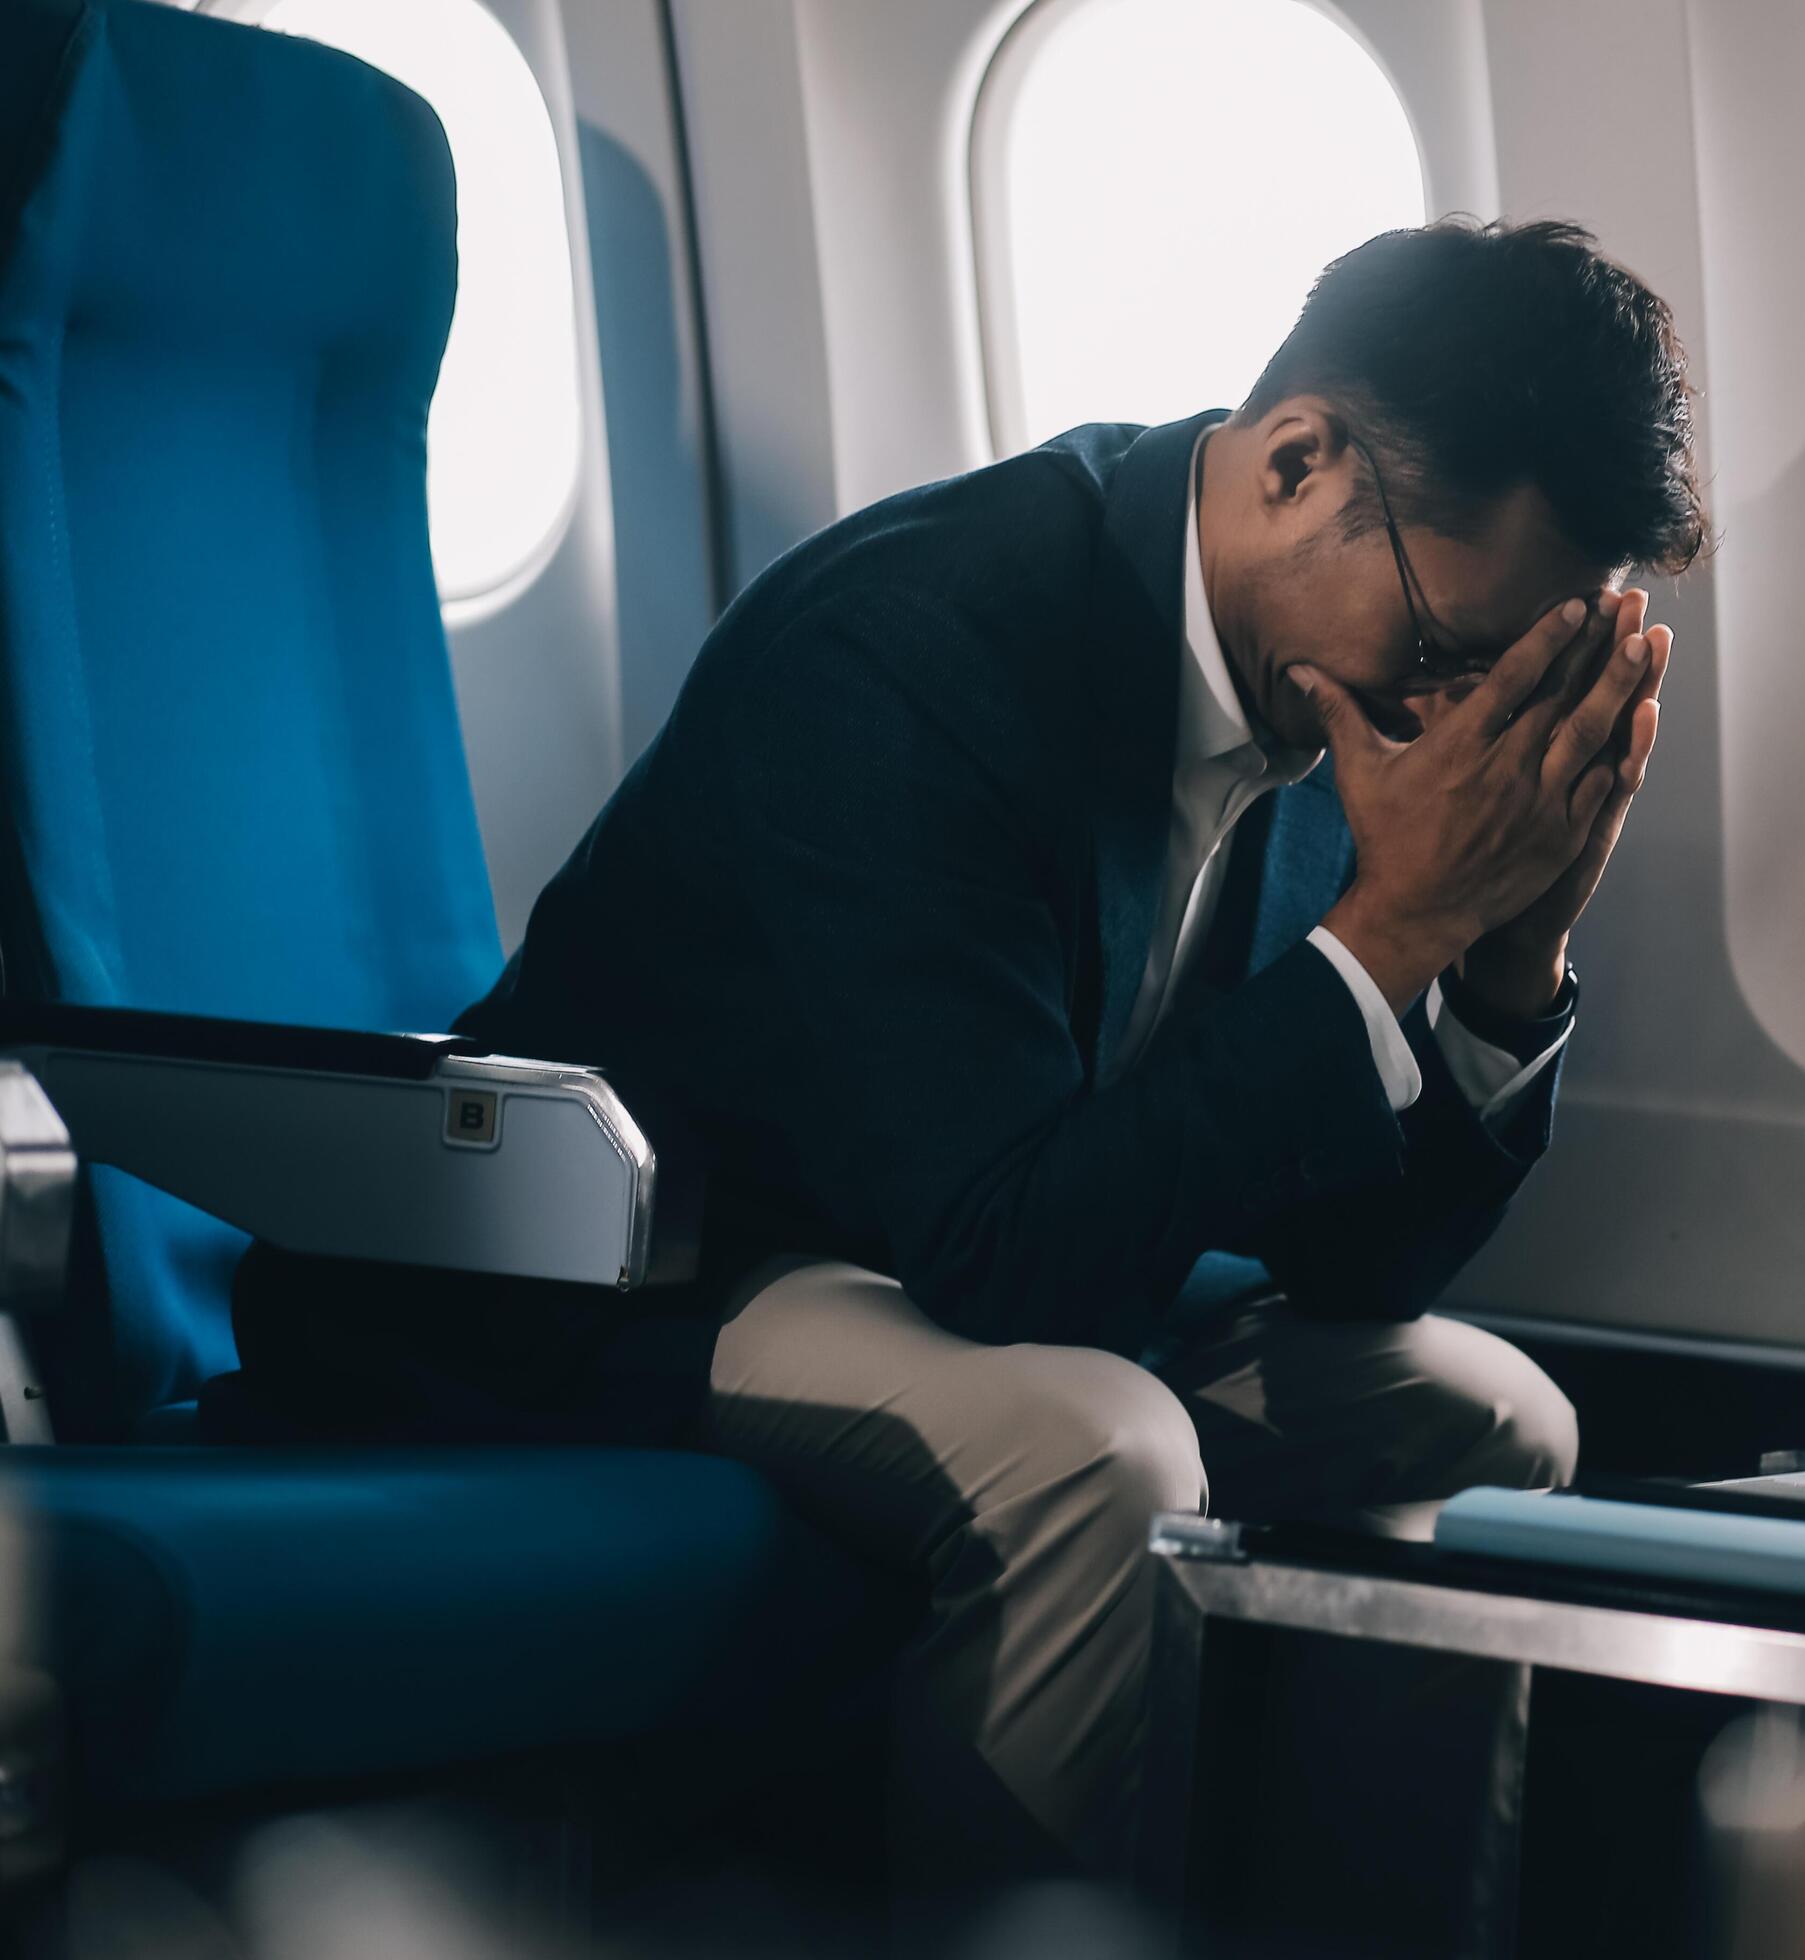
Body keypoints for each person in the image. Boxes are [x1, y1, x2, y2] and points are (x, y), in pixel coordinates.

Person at [318, 217, 1699, 1872]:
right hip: (663, 1259)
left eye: (1516, 685)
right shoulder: (923, 645)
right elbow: (1001, 1264)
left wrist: (1507, 951)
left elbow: (1353, 1271)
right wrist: (1389, 931)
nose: (1456, 721)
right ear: (1298, 460)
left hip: (971, 1245)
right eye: (1457, 652)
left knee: (1490, 1425)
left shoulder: (1349, 679)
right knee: (1093, 1454)